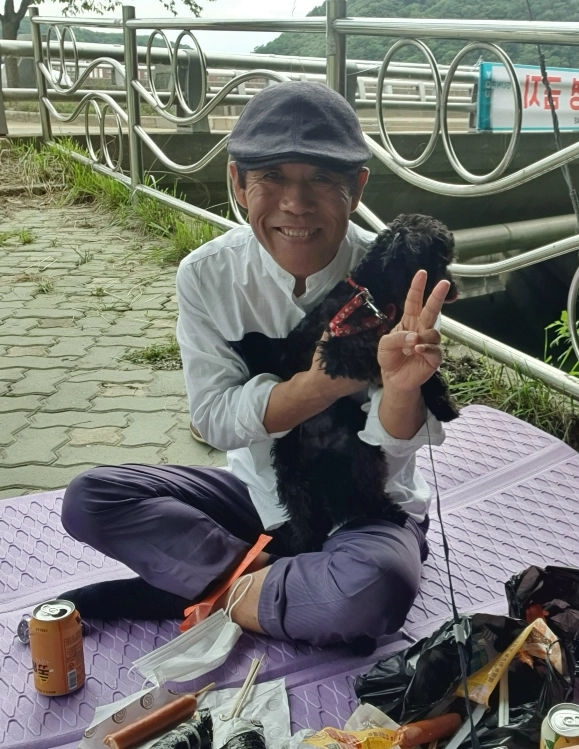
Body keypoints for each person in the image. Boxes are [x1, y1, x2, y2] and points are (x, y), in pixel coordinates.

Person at [60, 81, 450, 647]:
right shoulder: (206, 275)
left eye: (323, 178)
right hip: (256, 494)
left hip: (366, 507)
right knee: (91, 499)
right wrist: (320, 385)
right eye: (272, 176)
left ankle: (206, 586)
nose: (297, 203)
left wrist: (402, 388)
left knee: (373, 586)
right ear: (238, 183)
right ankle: (269, 587)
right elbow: (214, 419)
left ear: (357, 188)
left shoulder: (393, 278)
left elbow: (398, 451)